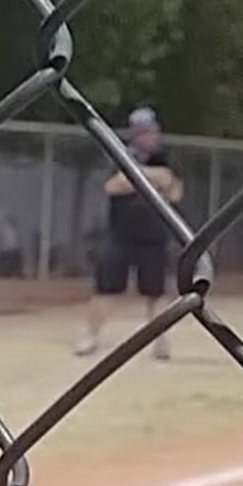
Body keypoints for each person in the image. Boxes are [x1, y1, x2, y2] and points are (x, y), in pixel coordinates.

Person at [76, 106, 183, 362]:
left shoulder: (165, 157)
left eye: (152, 131)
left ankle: (161, 341)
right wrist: (153, 178)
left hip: (154, 235)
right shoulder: (118, 153)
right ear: (134, 135)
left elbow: (174, 189)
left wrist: (137, 176)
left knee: (155, 292)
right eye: (144, 132)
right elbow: (113, 186)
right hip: (121, 235)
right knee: (106, 288)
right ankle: (90, 336)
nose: (150, 136)